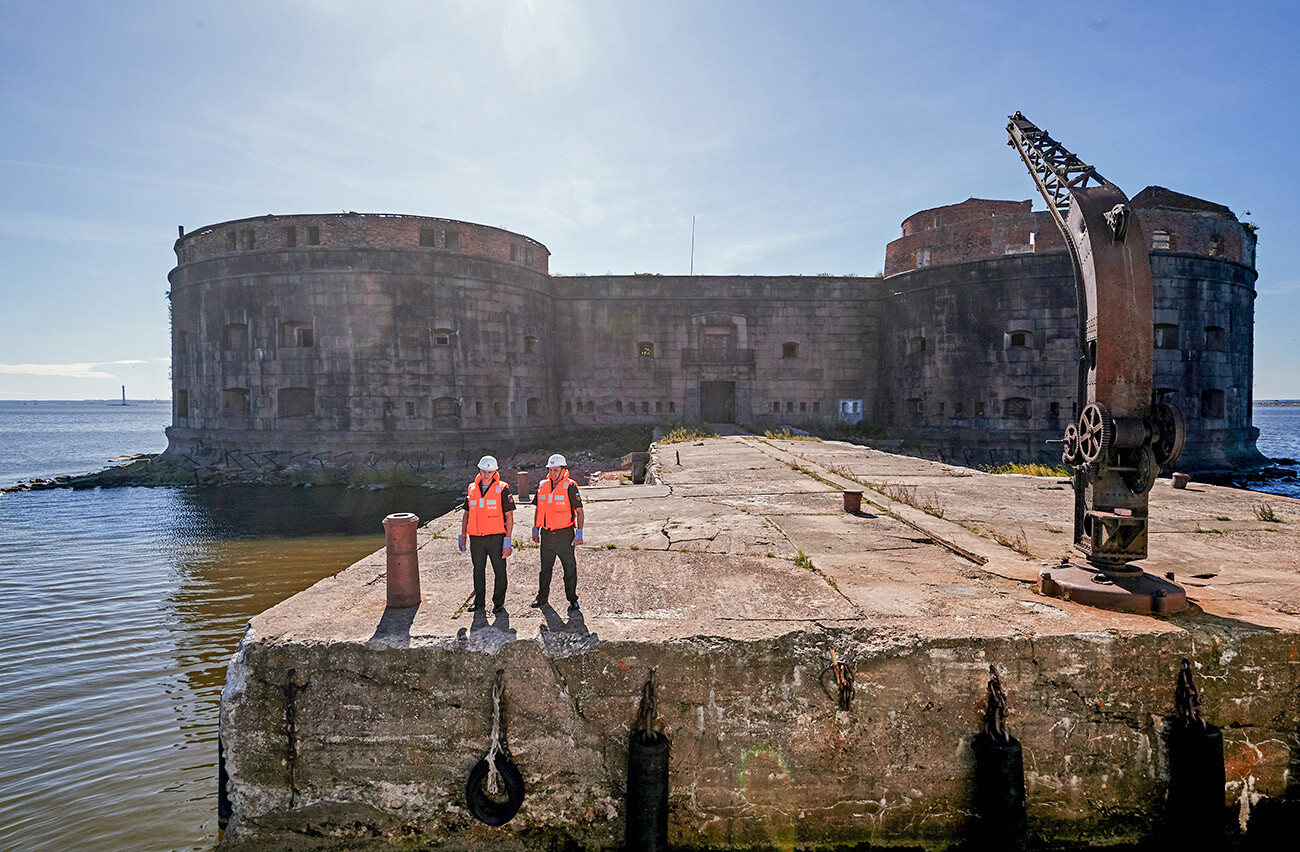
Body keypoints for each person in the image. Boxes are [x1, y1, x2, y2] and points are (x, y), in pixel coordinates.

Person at [459, 455, 515, 613]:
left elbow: (509, 516)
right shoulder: (472, 488)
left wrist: (507, 541)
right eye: (483, 471)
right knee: (478, 570)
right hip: (476, 538)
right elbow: (466, 514)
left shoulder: (503, 489)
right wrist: (462, 537)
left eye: (489, 472)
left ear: (494, 472)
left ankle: (498, 603)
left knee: (500, 571)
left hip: (496, 538)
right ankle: (479, 602)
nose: (486, 475)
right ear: (479, 470)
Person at [530, 453, 584, 611]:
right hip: (546, 534)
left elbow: (579, 511)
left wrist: (579, 532)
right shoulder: (542, 486)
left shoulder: (570, 486)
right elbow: (538, 509)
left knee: (569, 568)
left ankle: (572, 599)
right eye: (550, 470)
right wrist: (535, 527)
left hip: (564, 535)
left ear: (563, 470)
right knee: (545, 569)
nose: (552, 473)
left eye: (556, 470)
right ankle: (542, 597)